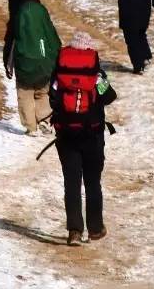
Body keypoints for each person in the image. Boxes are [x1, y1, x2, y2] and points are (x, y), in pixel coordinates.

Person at [49, 32, 117, 246]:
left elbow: (52, 99)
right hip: (92, 135)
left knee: (72, 183)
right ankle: (95, 229)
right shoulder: (96, 75)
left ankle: (75, 231)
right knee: (92, 182)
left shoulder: (59, 74)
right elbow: (110, 96)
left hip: (67, 135)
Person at [4, 0, 61, 135]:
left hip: (24, 63)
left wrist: (7, 63)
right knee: (43, 92)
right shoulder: (42, 11)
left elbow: (10, 40)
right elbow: (52, 36)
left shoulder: (18, 13)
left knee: (25, 94)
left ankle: (31, 127)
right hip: (44, 62)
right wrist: (58, 55)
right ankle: (43, 119)